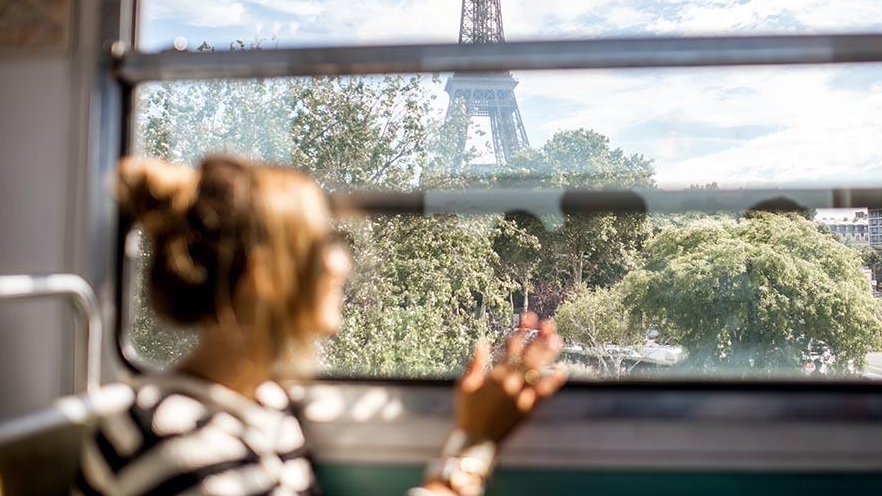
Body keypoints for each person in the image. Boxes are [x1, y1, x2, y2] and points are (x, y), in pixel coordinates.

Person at [75, 156, 567, 496]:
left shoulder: (263, 407)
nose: (339, 264)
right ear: (263, 275)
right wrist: (471, 447)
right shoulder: (178, 446)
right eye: (320, 247)